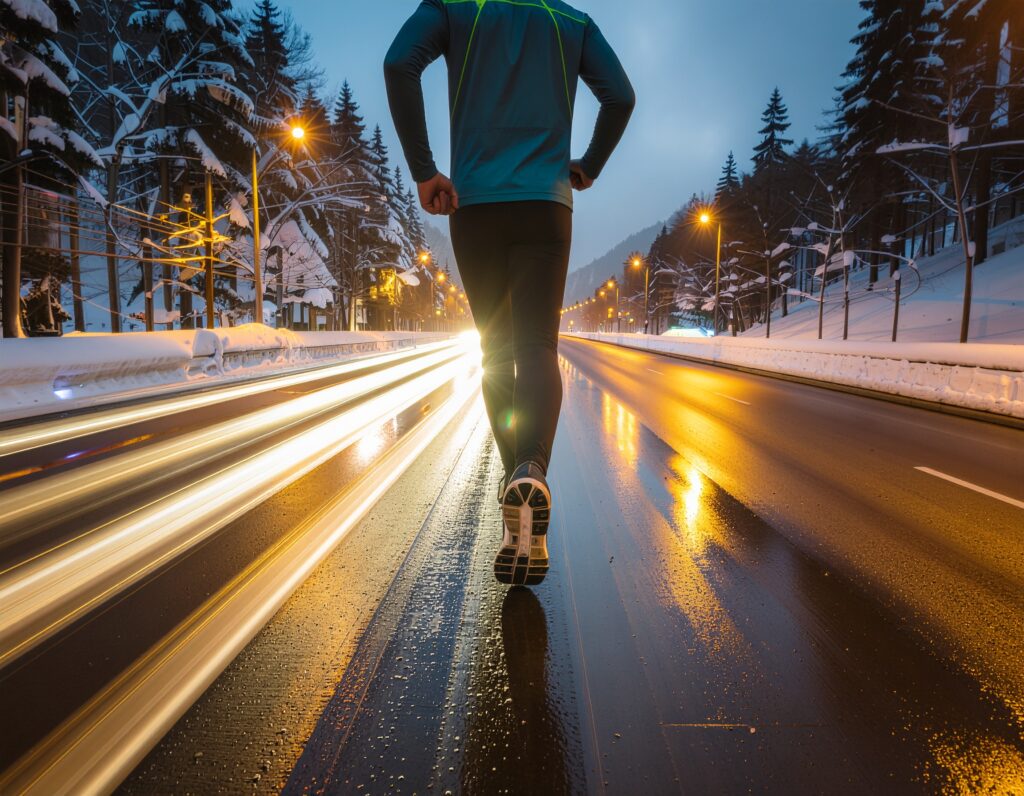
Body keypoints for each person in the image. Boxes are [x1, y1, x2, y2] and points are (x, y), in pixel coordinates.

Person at [384, 0, 634, 586]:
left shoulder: (455, 7)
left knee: (495, 352)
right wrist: (589, 164)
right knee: (538, 348)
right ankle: (532, 473)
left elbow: (400, 64)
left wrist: (424, 169)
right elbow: (620, 97)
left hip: (474, 205)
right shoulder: (569, 20)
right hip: (547, 204)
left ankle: (516, 493)